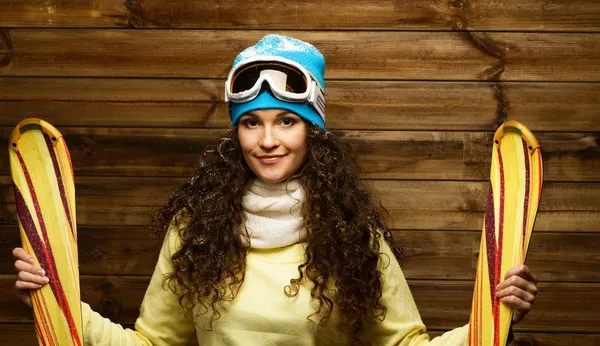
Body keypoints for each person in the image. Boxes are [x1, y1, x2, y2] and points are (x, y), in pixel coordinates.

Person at [12, 34, 538, 345]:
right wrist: (56, 300)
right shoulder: (195, 231)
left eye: (287, 120)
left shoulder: (351, 235)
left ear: (312, 130)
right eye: (251, 123)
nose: (267, 140)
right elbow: (153, 344)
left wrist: (492, 323)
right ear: (234, 132)